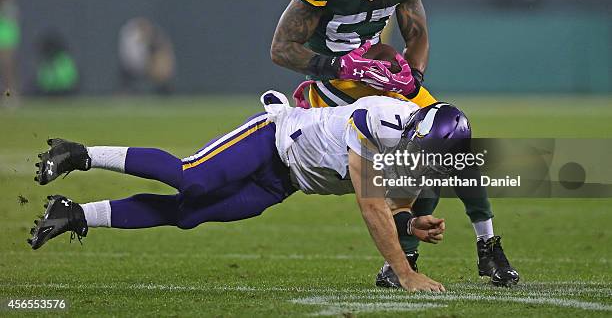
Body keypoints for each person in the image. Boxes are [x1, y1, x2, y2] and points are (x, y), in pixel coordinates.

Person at [270, 0, 519, 286]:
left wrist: (412, 78)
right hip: (336, 83)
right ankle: (404, 255)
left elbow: (416, 31)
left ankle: (488, 246)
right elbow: (281, 49)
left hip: (380, 74)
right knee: (408, 156)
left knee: (450, 139)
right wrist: (339, 64)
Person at [27, 88, 470, 292]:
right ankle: (79, 154)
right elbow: (372, 206)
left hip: (286, 182)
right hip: (271, 140)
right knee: (192, 175)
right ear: (415, 126)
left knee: (188, 214)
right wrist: (406, 273)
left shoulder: (420, 155)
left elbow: (393, 207)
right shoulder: (377, 118)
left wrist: (410, 221)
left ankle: (75, 215)